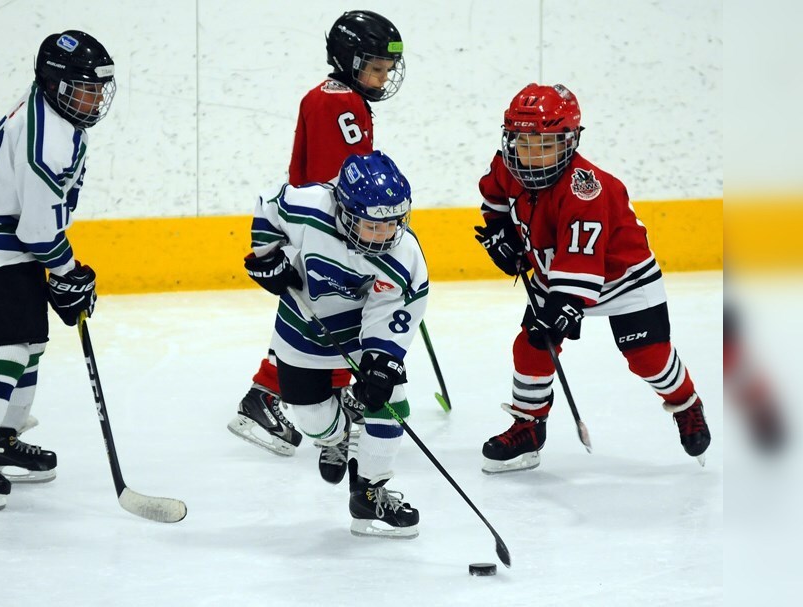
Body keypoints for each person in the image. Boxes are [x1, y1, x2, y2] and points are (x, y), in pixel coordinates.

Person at [474, 83, 712, 473]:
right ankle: (528, 427)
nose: (530, 154)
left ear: (569, 141)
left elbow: (581, 259)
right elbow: (495, 199)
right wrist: (500, 228)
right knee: (532, 345)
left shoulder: (587, 189)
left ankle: (686, 404)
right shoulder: (505, 164)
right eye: (522, 141)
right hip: (557, 275)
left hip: (623, 279)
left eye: (544, 144)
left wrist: (565, 304)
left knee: (647, 358)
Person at [0, 30, 116, 510]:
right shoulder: (47, 141)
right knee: (8, 348)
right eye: (85, 87)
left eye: (100, 87)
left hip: (6, 238)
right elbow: (38, 234)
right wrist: (68, 269)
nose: (95, 97)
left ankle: (0, 437)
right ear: (56, 85)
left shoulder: (52, 111)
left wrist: (63, 269)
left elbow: (40, 221)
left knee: (32, 342)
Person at [228, 10, 406, 460]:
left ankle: (293, 396)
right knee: (327, 316)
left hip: (317, 228)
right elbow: (338, 182)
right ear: (347, 59)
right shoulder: (340, 103)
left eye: (387, 70)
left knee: (313, 314)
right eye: (374, 67)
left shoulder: (330, 95)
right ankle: (266, 397)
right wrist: (367, 232)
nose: (382, 79)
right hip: (328, 231)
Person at [243, 151, 427, 537]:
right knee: (310, 417)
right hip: (302, 329)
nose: (383, 235)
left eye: (392, 223)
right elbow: (268, 208)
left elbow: (393, 309)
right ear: (343, 210)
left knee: (389, 400)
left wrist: (381, 361)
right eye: (371, 225)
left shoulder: (404, 256)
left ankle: (370, 492)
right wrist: (268, 259)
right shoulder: (309, 207)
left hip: (360, 334)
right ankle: (337, 436)